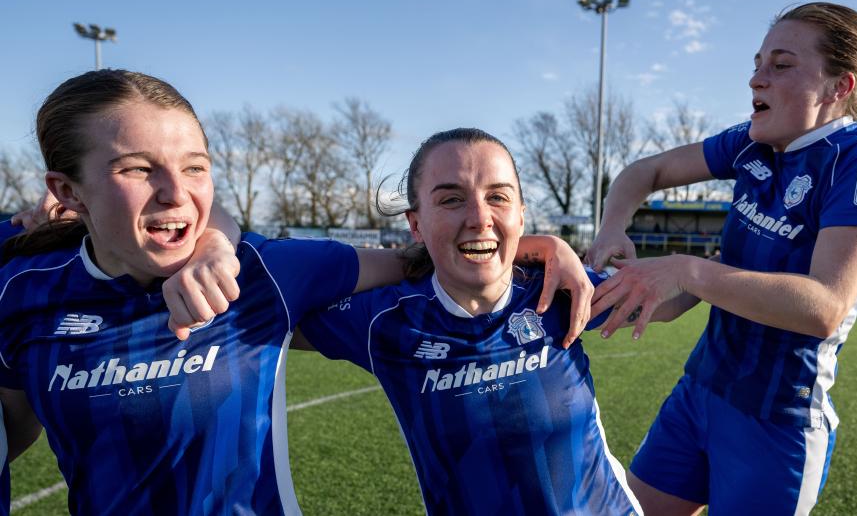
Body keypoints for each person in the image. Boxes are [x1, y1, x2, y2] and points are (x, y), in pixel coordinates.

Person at [0, 70, 591, 515]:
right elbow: (14, 427)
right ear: (65, 188)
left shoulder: (269, 274)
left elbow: (418, 259)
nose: (175, 194)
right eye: (136, 169)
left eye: (196, 167)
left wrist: (535, 243)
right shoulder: (20, 288)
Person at [587, 2, 857, 515]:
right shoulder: (752, 143)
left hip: (776, 421)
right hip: (699, 393)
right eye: (758, 62)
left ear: (839, 87)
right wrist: (612, 230)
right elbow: (644, 173)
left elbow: (823, 307)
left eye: (780, 65)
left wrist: (687, 270)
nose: (756, 79)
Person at [295, 128, 673, 515]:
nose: (479, 218)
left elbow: (670, 302)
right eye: (451, 199)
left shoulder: (559, 288)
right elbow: (277, 311)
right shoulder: (386, 320)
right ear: (416, 224)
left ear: (521, 215)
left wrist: (689, 271)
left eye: (497, 197)